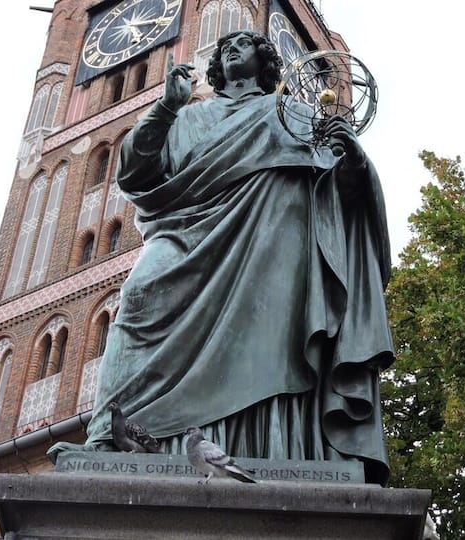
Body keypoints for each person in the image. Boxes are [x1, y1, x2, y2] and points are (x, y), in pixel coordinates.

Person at [81, 30, 395, 484]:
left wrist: (353, 160)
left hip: (275, 241)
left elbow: (339, 193)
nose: (231, 48)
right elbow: (134, 174)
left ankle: (273, 445)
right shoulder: (188, 118)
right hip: (186, 234)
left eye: (244, 44)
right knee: (137, 299)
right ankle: (112, 432)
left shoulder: (294, 115)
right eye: (225, 45)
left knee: (272, 337)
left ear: (265, 61)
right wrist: (166, 105)